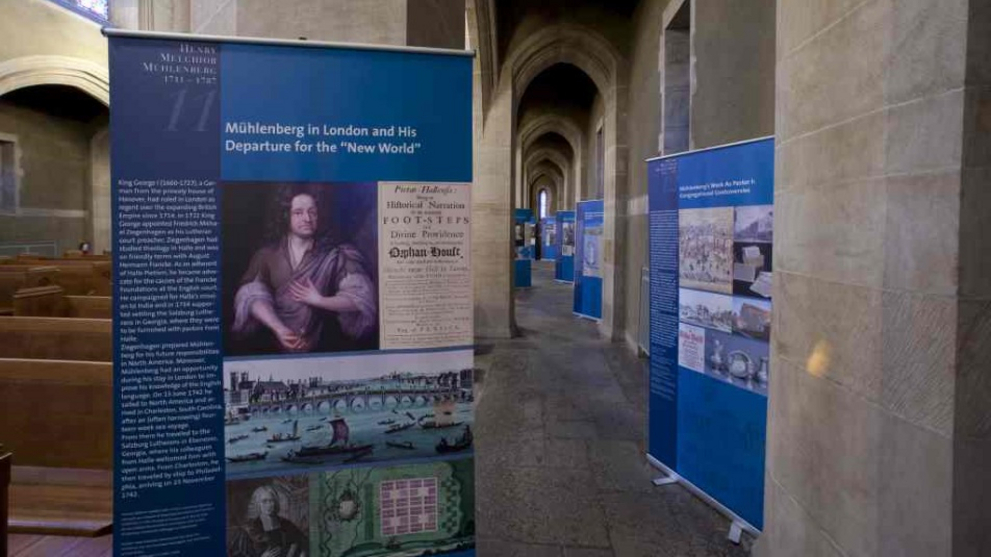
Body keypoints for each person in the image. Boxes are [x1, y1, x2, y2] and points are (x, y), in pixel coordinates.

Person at [232, 185, 376, 353]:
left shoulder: (335, 255)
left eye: (312, 212)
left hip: (323, 348)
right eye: (298, 213)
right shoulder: (267, 255)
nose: (307, 218)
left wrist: (320, 301)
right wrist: (280, 329)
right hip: (272, 348)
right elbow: (250, 295)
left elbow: (361, 297)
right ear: (286, 216)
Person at [229, 485, 308, 557]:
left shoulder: (286, 524)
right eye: (264, 501)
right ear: (257, 504)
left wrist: (302, 553)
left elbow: (304, 543)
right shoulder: (249, 529)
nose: (269, 505)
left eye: (271, 501)